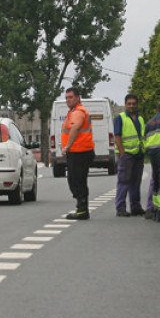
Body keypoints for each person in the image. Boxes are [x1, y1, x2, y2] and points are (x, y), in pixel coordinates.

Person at [61, 87, 95, 220]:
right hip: (78, 152)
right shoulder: (73, 111)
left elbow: (75, 128)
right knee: (75, 180)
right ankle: (81, 208)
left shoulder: (78, 111)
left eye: (70, 97)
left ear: (77, 98)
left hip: (80, 152)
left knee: (77, 181)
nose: (68, 100)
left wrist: (67, 146)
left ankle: (82, 210)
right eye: (66, 97)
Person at [113, 94, 146, 217]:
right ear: (125, 104)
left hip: (138, 154)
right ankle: (120, 208)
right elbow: (117, 136)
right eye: (129, 103)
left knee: (136, 182)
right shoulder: (120, 118)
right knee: (124, 181)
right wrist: (122, 152)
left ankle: (135, 207)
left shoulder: (140, 119)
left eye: (133, 103)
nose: (131, 106)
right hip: (126, 155)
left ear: (136, 104)